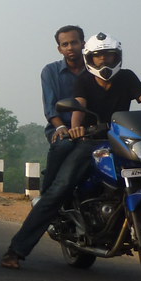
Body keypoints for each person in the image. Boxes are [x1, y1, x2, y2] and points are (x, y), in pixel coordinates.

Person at [1, 32, 141, 269]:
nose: (104, 61)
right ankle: (15, 251)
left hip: (123, 141)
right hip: (91, 142)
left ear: (118, 56)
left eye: (109, 56)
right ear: (90, 58)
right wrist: (76, 129)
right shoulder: (84, 79)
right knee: (59, 190)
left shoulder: (127, 77)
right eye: (99, 56)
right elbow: (78, 108)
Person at [39, 26, 86, 195]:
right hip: (61, 126)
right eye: (65, 44)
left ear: (83, 43)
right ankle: (46, 197)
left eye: (74, 42)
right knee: (63, 146)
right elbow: (50, 107)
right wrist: (61, 127)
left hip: (91, 128)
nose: (70, 47)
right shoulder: (50, 71)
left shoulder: (95, 70)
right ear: (59, 49)